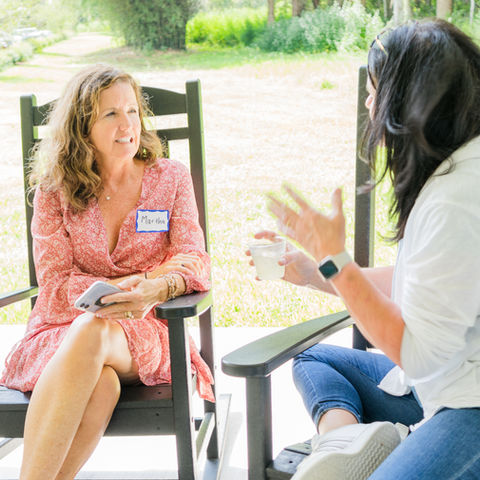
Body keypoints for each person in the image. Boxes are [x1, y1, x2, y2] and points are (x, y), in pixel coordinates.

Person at [251, 19, 480, 479]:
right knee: (316, 358)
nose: (369, 104)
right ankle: (344, 442)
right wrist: (317, 269)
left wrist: (337, 262)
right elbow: (415, 284)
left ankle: (372, 446)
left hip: (468, 405)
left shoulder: (456, 200)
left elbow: (414, 352)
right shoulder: (457, 171)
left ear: (409, 105)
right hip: (438, 386)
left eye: (375, 91)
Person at [0, 64, 214, 480]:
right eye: (110, 114)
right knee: (102, 387)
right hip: (57, 331)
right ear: (82, 127)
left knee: (92, 330)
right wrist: (125, 286)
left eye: (132, 111)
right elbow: (56, 284)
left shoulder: (170, 178)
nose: (127, 125)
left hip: (148, 328)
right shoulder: (54, 191)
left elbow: (193, 257)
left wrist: (155, 288)